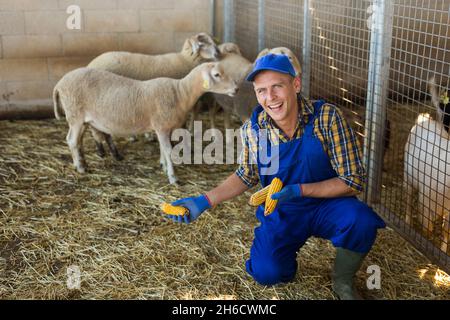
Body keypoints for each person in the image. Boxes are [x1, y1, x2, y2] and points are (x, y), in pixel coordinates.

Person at [165, 54, 386, 300]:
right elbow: (245, 175)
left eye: (277, 87)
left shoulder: (326, 118)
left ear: (296, 85)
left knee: (361, 221)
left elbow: (353, 180)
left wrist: (300, 190)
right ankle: (284, 264)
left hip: (330, 203)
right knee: (267, 272)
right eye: (261, 91)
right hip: (283, 210)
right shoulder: (254, 129)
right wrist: (204, 201)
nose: (269, 98)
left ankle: (342, 280)